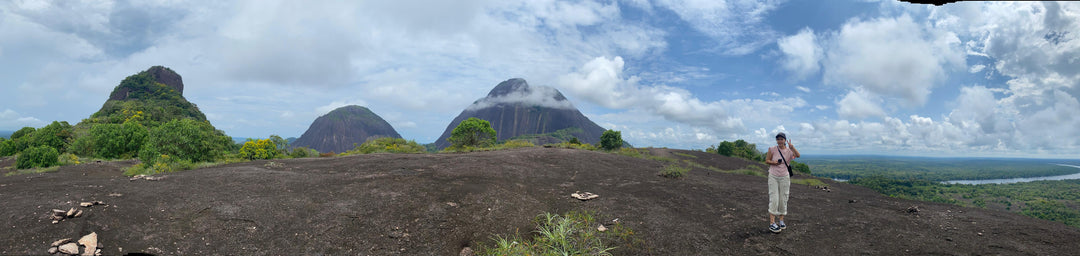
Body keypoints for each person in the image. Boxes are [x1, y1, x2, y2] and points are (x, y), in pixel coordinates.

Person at [765, 132, 800, 233]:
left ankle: (781, 220)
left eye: (781, 139)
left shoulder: (789, 151)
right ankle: (772, 223)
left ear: (785, 140)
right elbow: (767, 160)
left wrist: (792, 147)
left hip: (784, 177)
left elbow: (798, 155)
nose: (779, 141)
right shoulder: (772, 149)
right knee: (774, 198)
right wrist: (774, 162)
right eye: (778, 139)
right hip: (773, 176)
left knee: (783, 198)